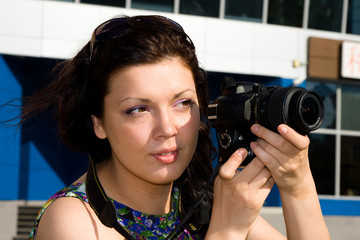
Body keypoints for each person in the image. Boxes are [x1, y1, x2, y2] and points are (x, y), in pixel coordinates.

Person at [19, 15, 330, 239]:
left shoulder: (197, 203)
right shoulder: (74, 222)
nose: (167, 128)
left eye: (182, 103)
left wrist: (297, 185)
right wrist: (227, 231)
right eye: (138, 109)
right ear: (98, 123)